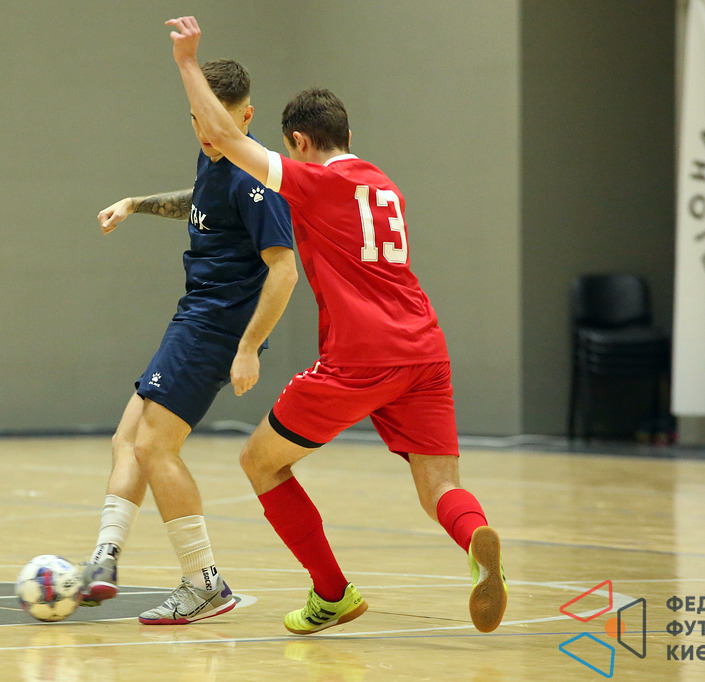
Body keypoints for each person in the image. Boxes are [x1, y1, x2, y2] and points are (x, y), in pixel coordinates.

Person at [165, 16, 508, 635]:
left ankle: (332, 593)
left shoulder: (316, 184)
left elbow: (222, 135)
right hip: (425, 351)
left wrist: (188, 63)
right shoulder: (383, 184)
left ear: (299, 141)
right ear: (348, 134)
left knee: (260, 462)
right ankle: (475, 535)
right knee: (439, 487)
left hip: (361, 357)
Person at [79, 57, 297, 625]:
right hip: (194, 318)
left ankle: (204, 583)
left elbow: (285, 270)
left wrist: (247, 348)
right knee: (128, 438)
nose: (205, 132)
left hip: (217, 328)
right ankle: (104, 559)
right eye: (197, 119)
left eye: (217, 121)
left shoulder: (256, 180)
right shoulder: (214, 155)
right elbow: (202, 203)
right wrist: (137, 203)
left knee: (154, 447)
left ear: (246, 117)